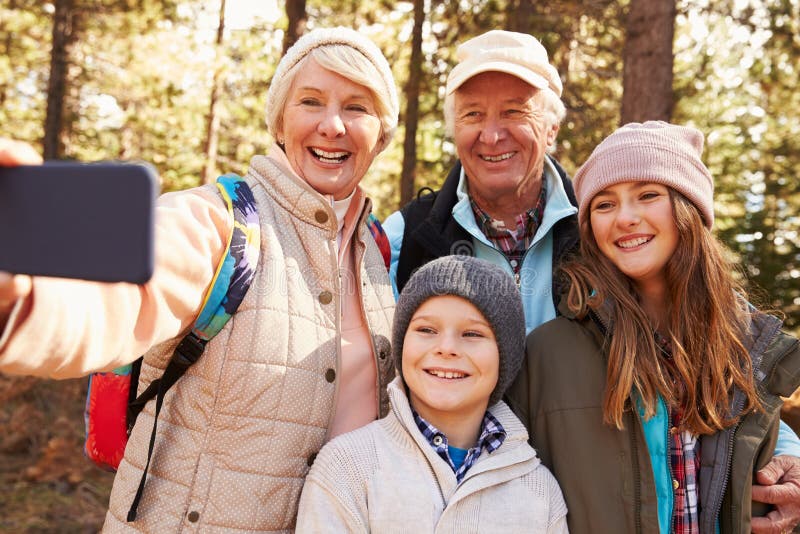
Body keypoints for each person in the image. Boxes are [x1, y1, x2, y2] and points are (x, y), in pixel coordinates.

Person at [0, 27, 399, 532]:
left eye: (357, 107)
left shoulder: (378, 255)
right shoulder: (218, 221)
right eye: (311, 101)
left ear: (382, 133)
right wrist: (23, 301)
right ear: (279, 121)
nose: (332, 124)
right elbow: (121, 298)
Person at [507, 121, 800, 533]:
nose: (625, 218)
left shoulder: (746, 348)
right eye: (604, 205)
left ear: (689, 209)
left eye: (647, 195)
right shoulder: (547, 354)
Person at [295, 255, 568, 532]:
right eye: (426, 329)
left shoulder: (539, 491)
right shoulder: (347, 467)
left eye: (472, 334)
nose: (446, 347)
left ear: (505, 358)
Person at [383, 29, 578, 334]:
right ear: (454, 129)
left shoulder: (597, 230)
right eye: (473, 115)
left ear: (551, 128)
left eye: (513, 112)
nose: (491, 136)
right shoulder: (403, 239)